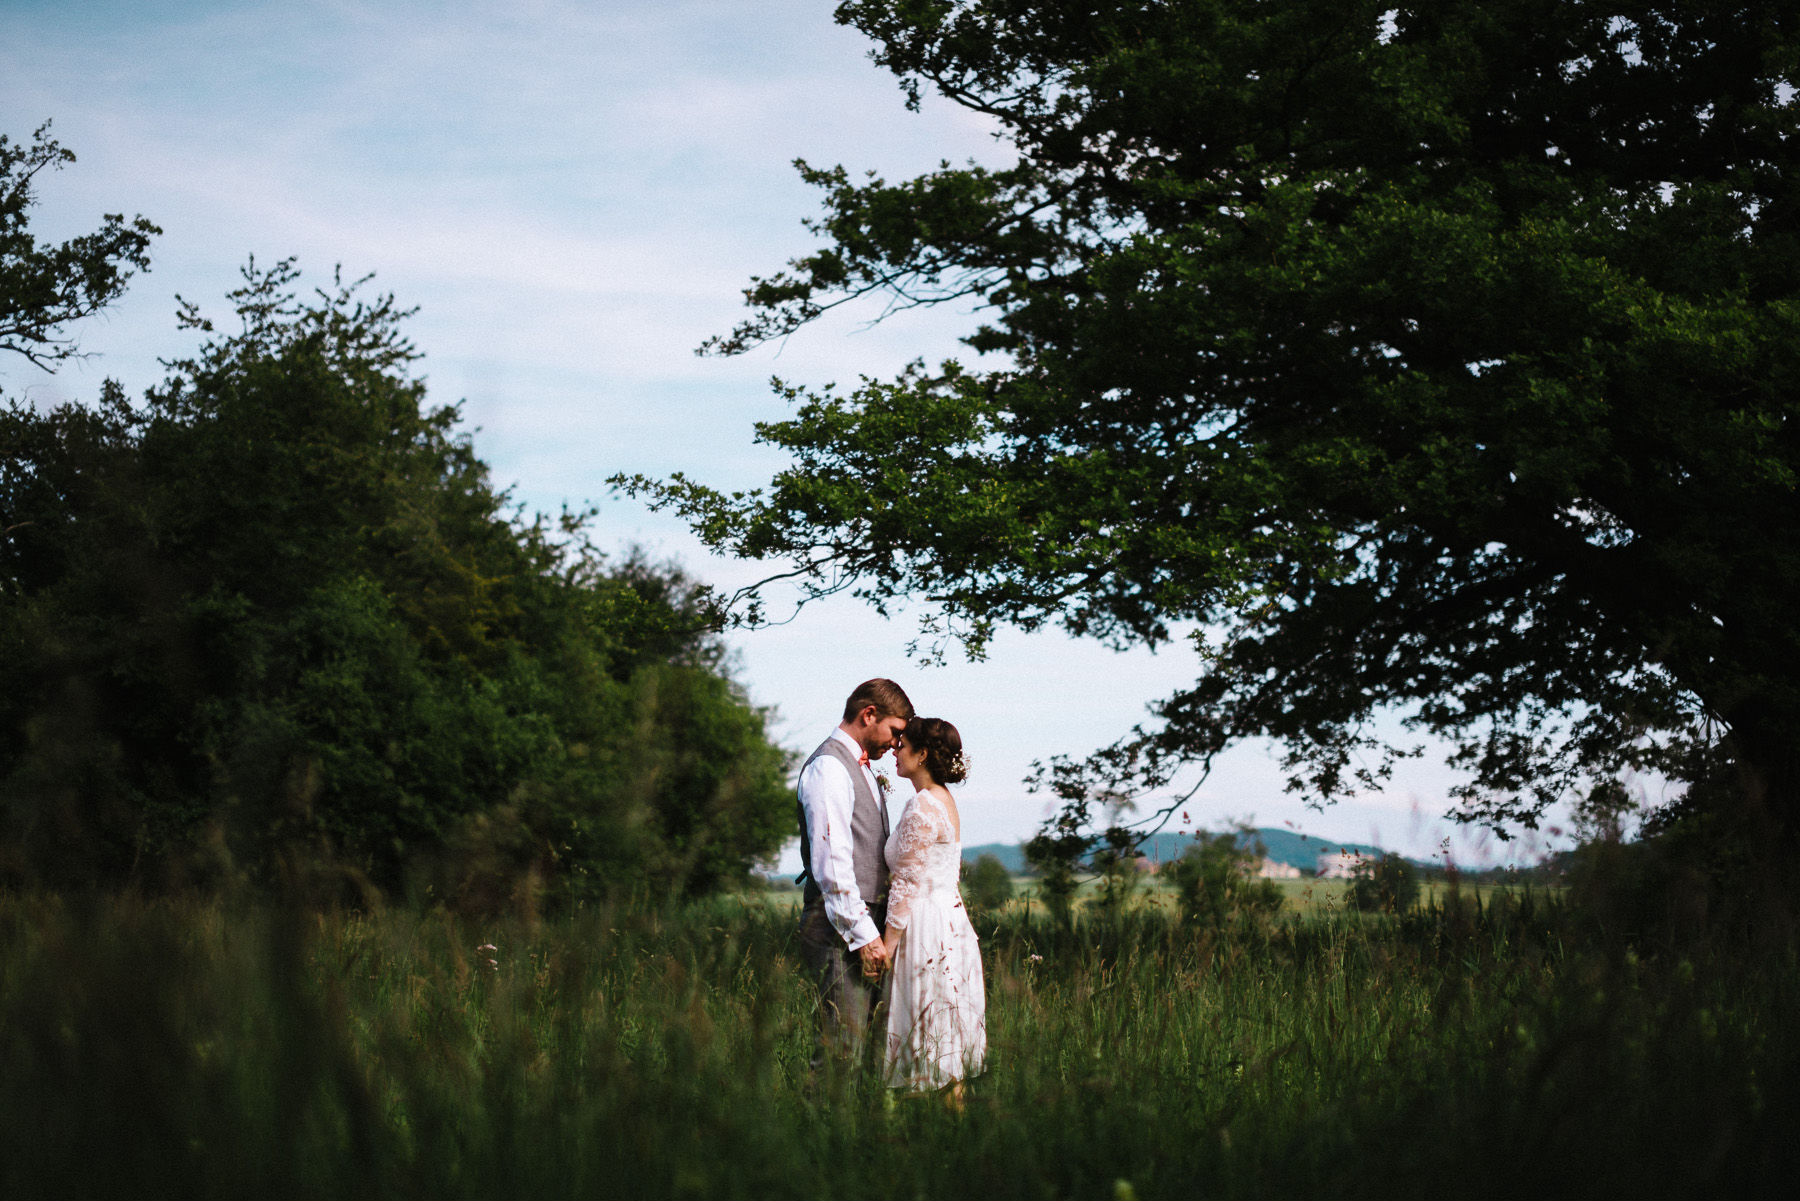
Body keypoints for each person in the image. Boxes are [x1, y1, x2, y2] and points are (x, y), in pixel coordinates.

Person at [796, 678, 915, 1072]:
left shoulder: (860, 766)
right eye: (895, 731)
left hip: (864, 923)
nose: (896, 744)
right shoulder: (829, 766)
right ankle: (819, 1131)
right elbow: (831, 864)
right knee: (839, 1052)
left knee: (864, 1053)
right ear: (869, 714)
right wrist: (864, 936)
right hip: (840, 927)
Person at [881, 716, 987, 1104]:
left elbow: (907, 881)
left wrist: (887, 946)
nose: (895, 749)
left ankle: (933, 1140)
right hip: (951, 919)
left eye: (902, 744)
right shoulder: (943, 798)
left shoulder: (924, 805)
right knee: (944, 1036)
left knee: (929, 1034)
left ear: (921, 754)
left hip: (926, 925)